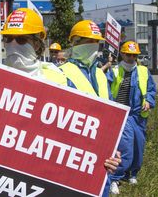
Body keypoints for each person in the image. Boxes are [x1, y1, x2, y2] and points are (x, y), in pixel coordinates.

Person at [0, 9, 121, 195]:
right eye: (8, 39)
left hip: (47, 177)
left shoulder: (59, 78)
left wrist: (106, 156)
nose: (13, 44)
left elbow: (83, 132)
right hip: (3, 176)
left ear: (37, 44)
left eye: (21, 39)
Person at [58, 20, 119, 196]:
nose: (92, 46)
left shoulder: (100, 74)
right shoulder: (62, 72)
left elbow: (113, 113)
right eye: (86, 41)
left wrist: (114, 147)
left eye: (95, 42)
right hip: (75, 152)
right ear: (74, 43)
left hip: (102, 150)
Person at [109, 41, 156, 195]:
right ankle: (114, 178)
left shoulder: (143, 71)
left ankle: (132, 174)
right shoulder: (114, 70)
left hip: (138, 115)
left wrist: (149, 101)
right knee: (125, 147)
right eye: (128, 54)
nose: (131, 58)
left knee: (138, 145)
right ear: (122, 54)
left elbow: (150, 89)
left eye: (134, 55)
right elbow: (106, 89)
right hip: (121, 113)